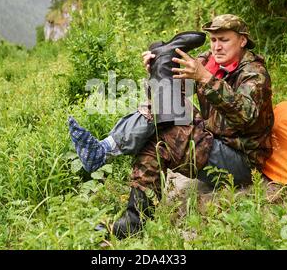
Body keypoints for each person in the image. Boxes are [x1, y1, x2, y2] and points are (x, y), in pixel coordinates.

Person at [68, 14, 274, 239]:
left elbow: (246, 117)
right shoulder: (210, 61)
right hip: (214, 141)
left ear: (242, 40)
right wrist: (157, 68)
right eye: (213, 40)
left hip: (242, 161)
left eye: (223, 40)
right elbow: (170, 94)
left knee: (165, 132)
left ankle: (107, 156)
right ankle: (131, 213)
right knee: (166, 109)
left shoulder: (254, 73)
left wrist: (205, 78)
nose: (216, 46)